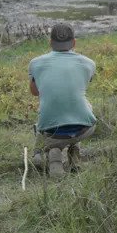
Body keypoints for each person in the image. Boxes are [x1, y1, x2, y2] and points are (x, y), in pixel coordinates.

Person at [29, 23, 97, 177]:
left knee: (45, 111)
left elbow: (34, 92)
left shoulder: (35, 63)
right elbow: (79, 86)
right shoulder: (89, 63)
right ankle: (74, 153)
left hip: (51, 132)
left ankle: (51, 153)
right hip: (84, 129)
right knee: (83, 104)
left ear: (50, 42)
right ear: (74, 43)